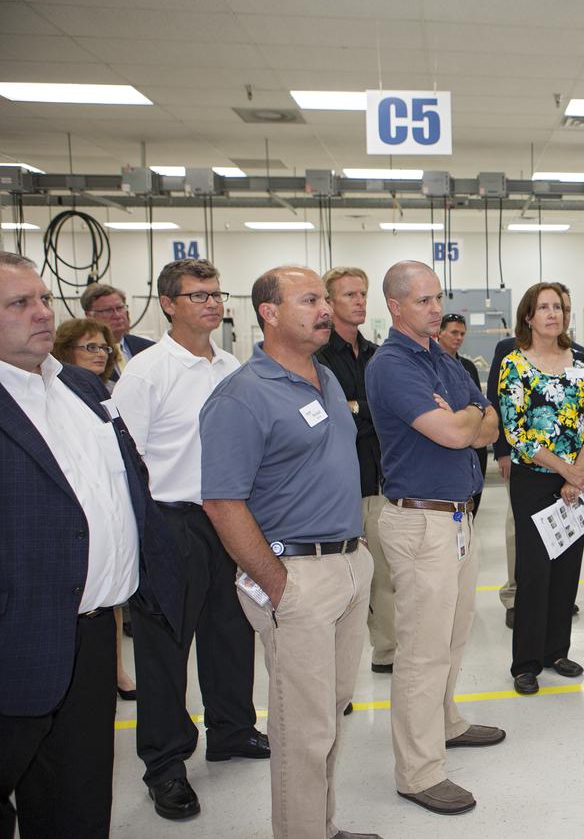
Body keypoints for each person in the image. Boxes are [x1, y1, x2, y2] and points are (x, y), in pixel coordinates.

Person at [0, 251, 183, 839]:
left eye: (44, 300)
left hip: (92, 633)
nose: (39, 313)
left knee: (79, 799)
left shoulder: (82, 386)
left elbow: (127, 484)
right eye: (18, 303)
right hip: (17, 636)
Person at [201, 265, 380, 839]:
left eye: (326, 299)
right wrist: (278, 585)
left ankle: (320, 827)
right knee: (302, 730)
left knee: (328, 716)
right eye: (309, 300)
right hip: (296, 573)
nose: (326, 309)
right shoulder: (242, 395)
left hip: (348, 565)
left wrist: (358, 562)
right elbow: (223, 502)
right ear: (269, 313)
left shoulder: (325, 379)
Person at [113, 259, 267, 821]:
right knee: (164, 651)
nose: (210, 303)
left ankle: (232, 730)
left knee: (231, 633)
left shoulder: (231, 366)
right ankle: (165, 764)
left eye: (216, 293)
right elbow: (124, 464)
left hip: (228, 518)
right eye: (197, 295)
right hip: (170, 519)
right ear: (168, 304)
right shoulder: (148, 372)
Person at [365, 261, 505, 818]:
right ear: (396, 306)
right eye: (422, 301)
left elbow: (490, 427)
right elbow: (453, 433)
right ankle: (417, 771)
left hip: (458, 518)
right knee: (421, 651)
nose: (435, 308)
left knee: (452, 634)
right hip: (420, 521)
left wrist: (471, 417)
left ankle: (445, 722)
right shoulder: (392, 365)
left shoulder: (443, 360)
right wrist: (470, 421)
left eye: (437, 297)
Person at [486, 284, 584, 628]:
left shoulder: (581, 360)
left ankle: (558, 651)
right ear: (528, 316)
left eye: (557, 307)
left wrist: (578, 470)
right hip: (534, 479)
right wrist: (567, 471)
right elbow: (516, 431)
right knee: (534, 570)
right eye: (543, 307)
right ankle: (526, 662)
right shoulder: (514, 362)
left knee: (567, 570)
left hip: (577, 477)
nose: (553, 313)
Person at [314, 266, 395, 676]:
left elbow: (384, 414)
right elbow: (330, 421)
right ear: (328, 303)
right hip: (337, 488)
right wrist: (364, 412)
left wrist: (356, 408)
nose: (360, 301)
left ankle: (387, 653)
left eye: (363, 294)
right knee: (339, 584)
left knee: (385, 577)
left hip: (380, 482)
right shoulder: (317, 359)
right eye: (349, 295)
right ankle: (334, 675)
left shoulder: (380, 355)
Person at [51, 317, 135, 701]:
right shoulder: (53, 393)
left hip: (109, 534)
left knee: (111, 607)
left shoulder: (103, 394)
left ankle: (116, 670)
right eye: (89, 347)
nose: (99, 354)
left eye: (103, 347)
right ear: (66, 350)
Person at [438, 312, 490, 511]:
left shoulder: (467, 366)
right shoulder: (430, 366)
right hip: (449, 438)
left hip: (474, 439)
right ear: (439, 333)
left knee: (472, 502)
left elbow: (481, 406)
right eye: (454, 332)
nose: (458, 338)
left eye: (462, 334)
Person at [81, 282, 154, 375]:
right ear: (89, 316)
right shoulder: (84, 354)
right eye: (107, 310)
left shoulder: (147, 347)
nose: (117, 315)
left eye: (120, 308)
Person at [52, 318, 118, 387]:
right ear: (67, 351)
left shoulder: (114, 389)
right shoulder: (55, 389)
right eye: (92, 347)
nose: (103, 354)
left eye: (104, 348)